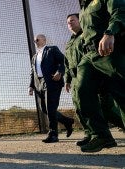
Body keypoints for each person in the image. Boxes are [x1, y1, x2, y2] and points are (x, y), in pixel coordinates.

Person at [64, 13, 124, 147]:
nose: (70, 23)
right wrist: (67, 79)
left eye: (72, 20)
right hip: (77, 76)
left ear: (81, 21)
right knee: (80, 106)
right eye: (68, 22)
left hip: (94, 72)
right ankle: (90, 134)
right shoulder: (69, 42)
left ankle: (117, 127)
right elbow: (67, 62)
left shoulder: (86, 35)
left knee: (106, 107)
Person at [29, 34, 74, 143]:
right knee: (44, 109)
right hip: (38, 84)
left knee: (50, 108)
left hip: (52, 81)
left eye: (37, 39)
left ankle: (53, 134)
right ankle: (67, 121)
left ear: (44, 40)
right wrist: (31, 86)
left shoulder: (52, 49)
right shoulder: (34, 56)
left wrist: (60, 72)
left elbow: (63, 60)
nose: (35, 42)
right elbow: (32, 72)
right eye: (34, 40)